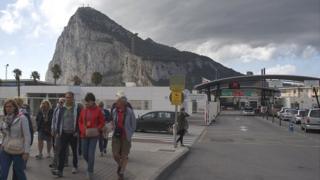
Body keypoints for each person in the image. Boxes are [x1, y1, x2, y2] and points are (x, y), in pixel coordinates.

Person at [0, 99, 31, 180]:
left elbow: (27, 136)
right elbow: (4, 134)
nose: (8, 108)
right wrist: (1, 144)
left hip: (18, 149)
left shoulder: (22, 118)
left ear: (15, 107)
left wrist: (26, 152)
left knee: (19, 173)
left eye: (10, 106)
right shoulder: (5, 119)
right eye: (6, 107)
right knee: (3, 173)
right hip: (5, 149)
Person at [52, 92, 81, 177]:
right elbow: (58, 120)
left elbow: (79, 121)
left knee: (74, 151)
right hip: (64, 133)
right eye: (67, 97)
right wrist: (57, 132)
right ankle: (60, 170)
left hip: (73, 134)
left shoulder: (77, 108)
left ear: (73, 98)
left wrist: (77, 131)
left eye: (70, 97)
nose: (68, 99)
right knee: (62, 152)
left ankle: (75, 166)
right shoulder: (62, 108)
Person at [78, 93, 105, 179]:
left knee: (91, 154)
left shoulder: (98, 110)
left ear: (93, 101)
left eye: (88, 101)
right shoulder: (84, 110)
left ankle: (90, 171)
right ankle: (90, 164)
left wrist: (98, 128)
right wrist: (83, 130)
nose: (87, 103)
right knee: (85, 153)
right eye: (86, 102)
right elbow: (80, 122)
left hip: (94, 135)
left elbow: (102, 122)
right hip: (84, 135)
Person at [111, 96, 136, 180]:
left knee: (124, 155)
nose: (116, 103)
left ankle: (121, 173)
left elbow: (134, 125)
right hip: (116, 136)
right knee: (115, 155)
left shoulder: (130, 112)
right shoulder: (114, 111)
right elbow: (113, 122)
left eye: (117, 102)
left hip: (126, 137)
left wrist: (130, 133)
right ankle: (122, 165)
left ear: (122, 104)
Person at [50, 97, 65, 169]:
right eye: (59, 102)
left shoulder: (65, 110)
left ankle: (65, 161)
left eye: (62, 102)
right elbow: (54, 120)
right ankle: (55, 163)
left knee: (64, 148)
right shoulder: (56, 109)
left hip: (64, 132)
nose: (60, 103)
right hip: (56, 131)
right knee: (56, 147)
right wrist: (52, 129)